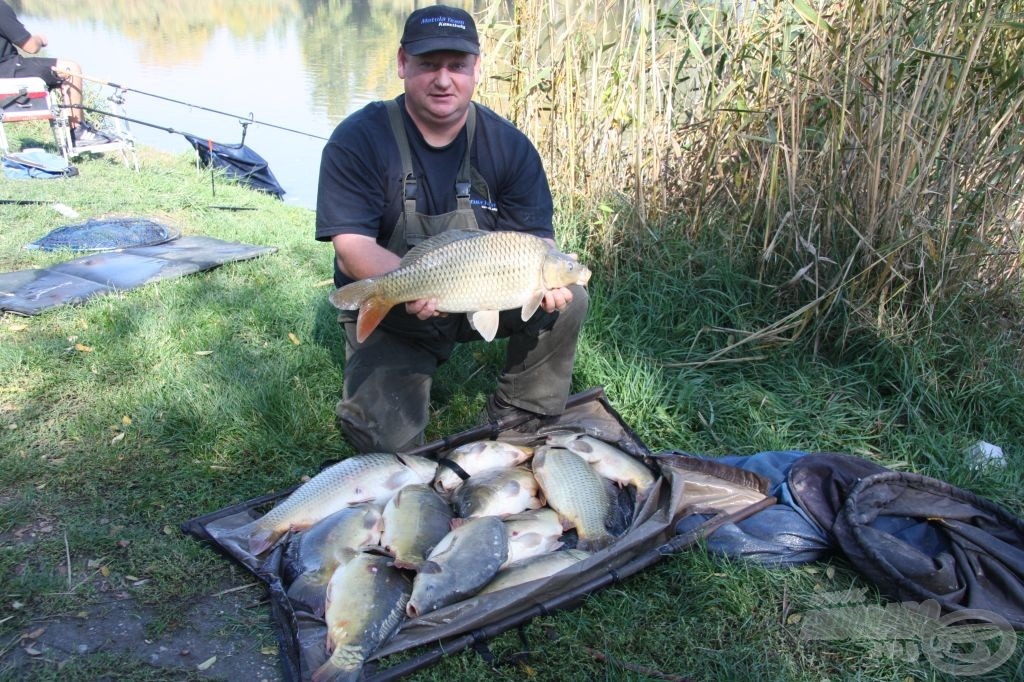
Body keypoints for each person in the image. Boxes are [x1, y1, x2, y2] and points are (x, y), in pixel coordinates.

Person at [316, 5, 588, 453]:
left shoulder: (510, 147)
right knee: (389, 450)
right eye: (428, 64)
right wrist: (409, 288)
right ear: (403, 63)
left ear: (476, 69)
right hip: (403, 306)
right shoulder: (358, 139)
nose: (444, 80)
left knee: (571, 297)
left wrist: (552, 278)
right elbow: (351, 247)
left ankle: (521, 413)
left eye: (457, 66)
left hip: (489, 295)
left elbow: (538, 242)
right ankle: (383, 394)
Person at [0, 1, 108, 145]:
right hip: (7, 69)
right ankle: (78, 130)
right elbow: (30, 46)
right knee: (71, 69)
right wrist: (40, 39)